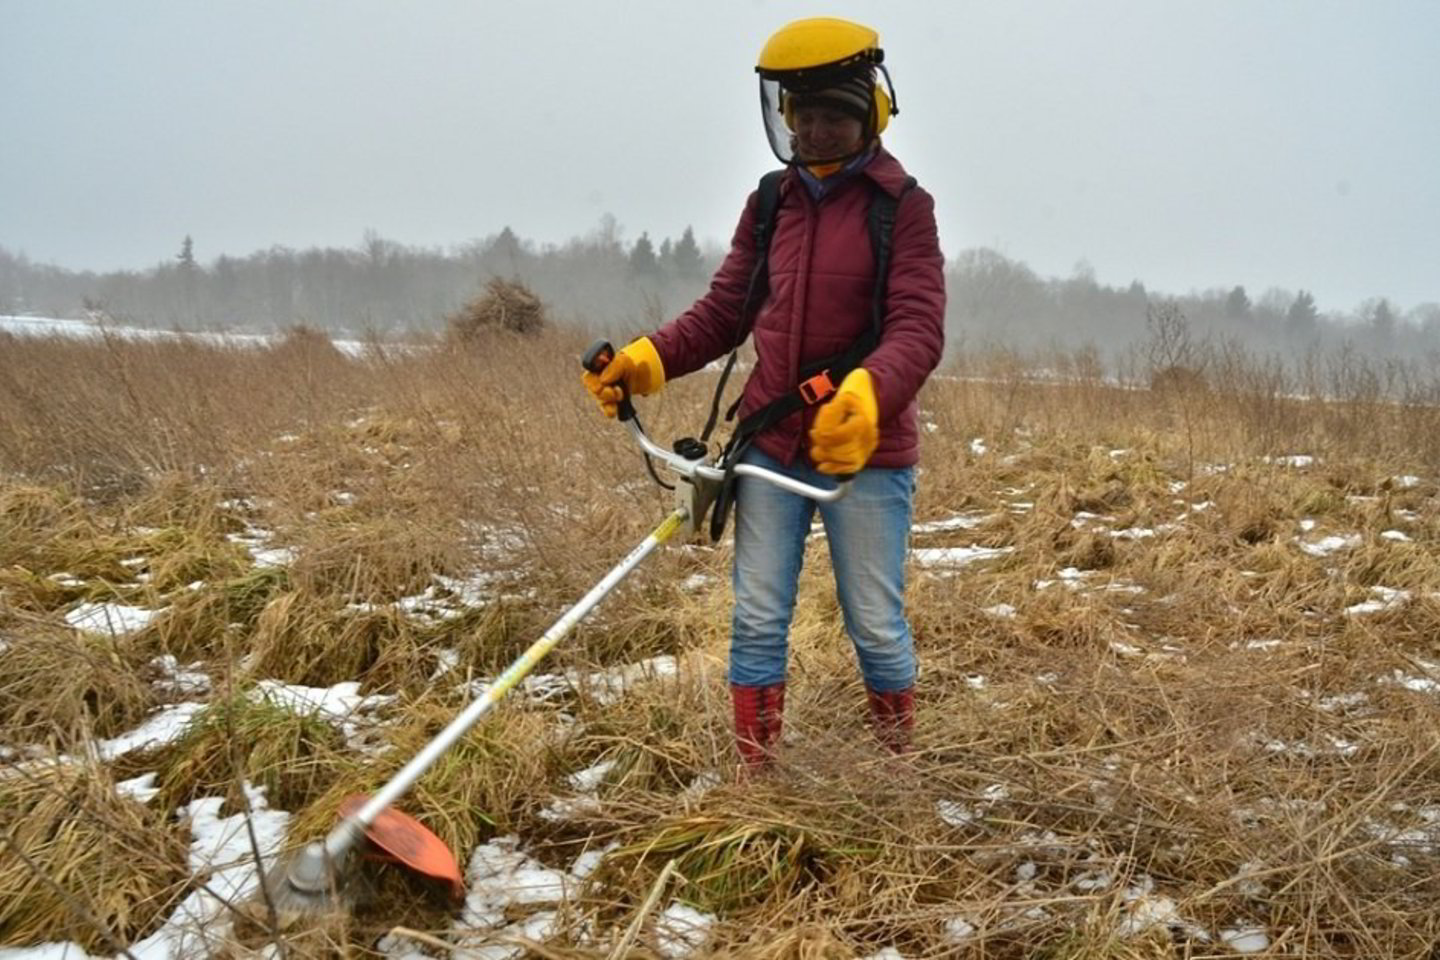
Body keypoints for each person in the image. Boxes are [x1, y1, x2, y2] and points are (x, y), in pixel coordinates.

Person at [583, 16, 946, 772]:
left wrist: (869, 396)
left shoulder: (902, 206)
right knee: (755, 620)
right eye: (802, 115)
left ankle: (898, 769)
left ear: (870, 112)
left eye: (833, 115)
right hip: (770, 446)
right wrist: (646, 361)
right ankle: (758, 778)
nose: (815, 131)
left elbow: (917, 326)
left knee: (875, 625)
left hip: (866, 455)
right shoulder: (771, 202)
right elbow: (726, 311)